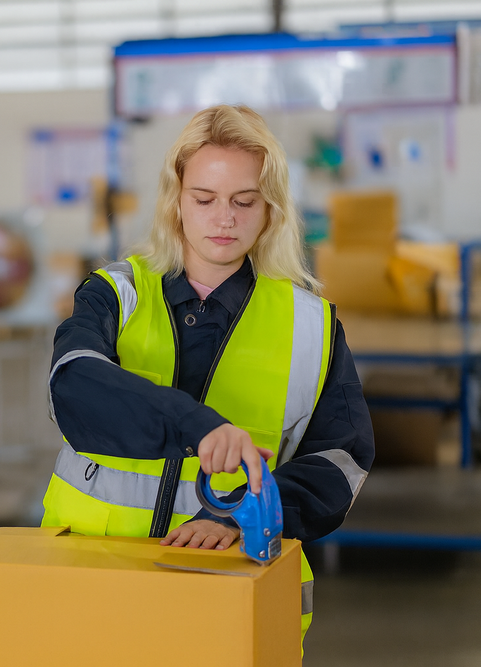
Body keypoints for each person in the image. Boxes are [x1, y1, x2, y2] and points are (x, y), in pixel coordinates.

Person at [41, 104, 373, 649]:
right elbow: (76, 384)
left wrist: (245, 520)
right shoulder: (116, 294)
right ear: (175, 202)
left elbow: (342, 457)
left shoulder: (311, 325)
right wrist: (198, 427)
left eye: (245, 202)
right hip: (94, 582)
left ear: (271, 211)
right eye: (205, 199)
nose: (225, 218)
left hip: (229, 597)